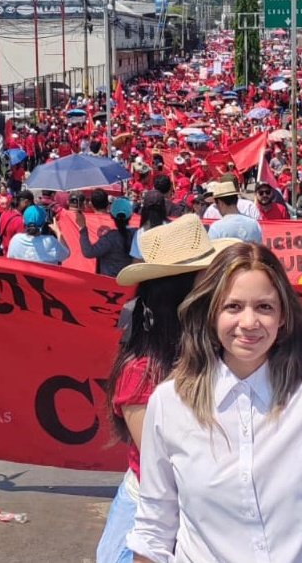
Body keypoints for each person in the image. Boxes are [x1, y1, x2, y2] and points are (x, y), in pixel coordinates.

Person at [127, 241, 302, 562]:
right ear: (210, 314)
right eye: (233, 307)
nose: (249, 322)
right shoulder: (170, 402)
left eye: (264, 307)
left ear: (283, 317)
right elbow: (154, 525)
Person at [96, 216, 238, 563]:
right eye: (210, 284)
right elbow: (161, 466)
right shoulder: (142, 374)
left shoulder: (217, 350)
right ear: (181, 296)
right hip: (152, 523)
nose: (221, 293)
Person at [78, 196, 137, 277]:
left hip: (110, 282)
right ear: (130, 215)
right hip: (131, 281)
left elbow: (88, 252)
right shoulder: (137, 234)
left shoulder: (109, 238)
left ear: (111, 215)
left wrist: (83, 228)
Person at [6, 205, 71, 265]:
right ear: (44, 223)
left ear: (24, 221)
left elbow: (10, 258)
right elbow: (67, 254)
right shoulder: (51, 241)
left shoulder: (15, 239)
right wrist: (58, 232)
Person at [0, 190, 33, 256]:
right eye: (30, 205)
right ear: (26, 202)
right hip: (14, 257)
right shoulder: (20, 221)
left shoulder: (4, 214)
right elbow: (22, 245)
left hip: (3, 254)